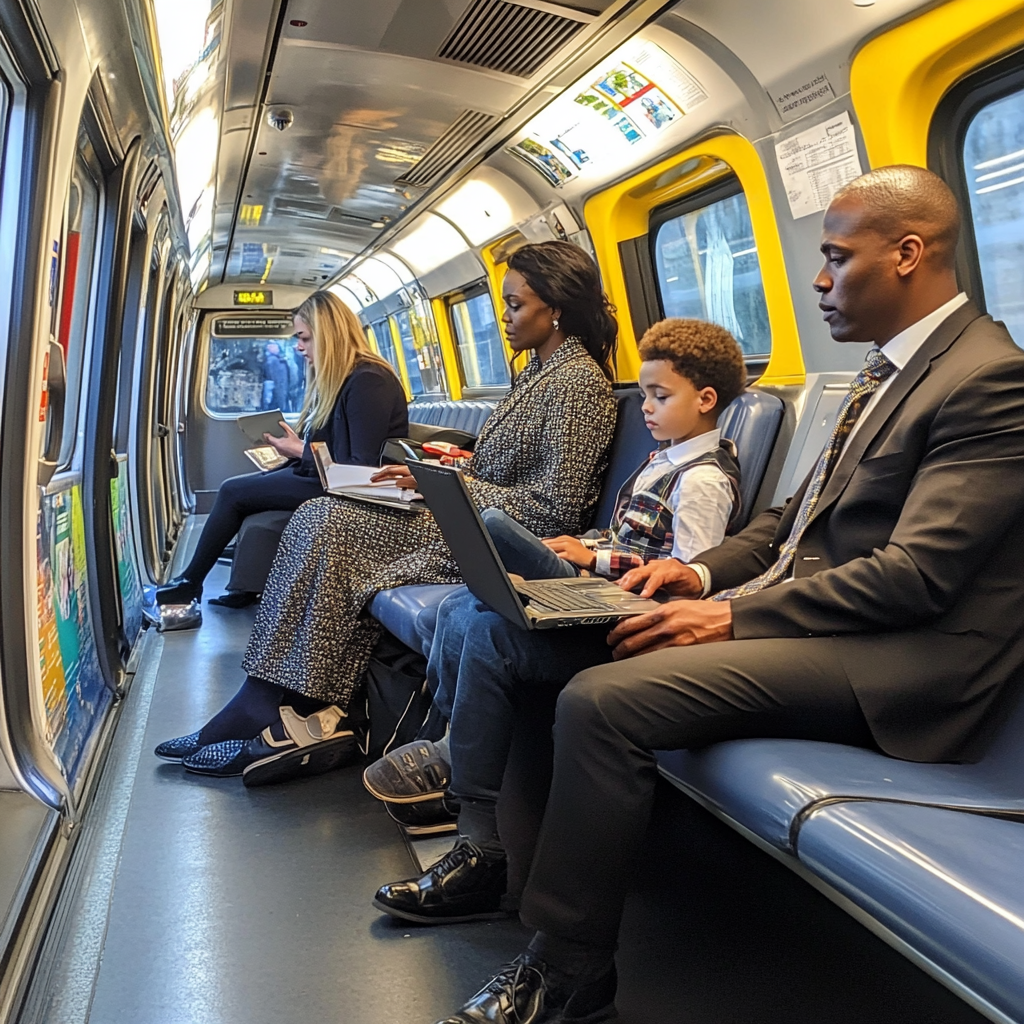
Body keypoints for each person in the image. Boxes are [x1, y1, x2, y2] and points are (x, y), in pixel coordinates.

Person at [378, 165, 1024, 1024]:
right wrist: (701, 571)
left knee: (604, 701)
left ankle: (569, 969)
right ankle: (489, 856)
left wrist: (730, 613)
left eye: (836, 258)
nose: (820, 280)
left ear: (908, 254)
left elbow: (919, 575)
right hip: (810, 621)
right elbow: (793, 526)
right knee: (509, 635)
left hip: (898, 664)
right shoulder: (886, 374)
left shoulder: (988, 379)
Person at [155, 241, 621, 783]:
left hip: (501, 534)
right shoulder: (537, 376)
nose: (504, 316)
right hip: (463, 513)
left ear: (556, 307)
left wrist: (448, 486)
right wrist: (441, 477)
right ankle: (266, 694)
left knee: (330, 521)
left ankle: (287, 704)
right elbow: (500, 471)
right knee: (319, 515)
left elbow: (555, 508)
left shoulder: (579, 385)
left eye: (515, 305)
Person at [363, 317, 747, 834]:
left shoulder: (701, 479)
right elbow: (631, 537)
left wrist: (594, 561)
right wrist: (588, 545)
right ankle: (445, 737)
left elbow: (682, 575)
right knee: (460, 605)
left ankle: (450, 760)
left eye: (659, 396)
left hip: (623, 602)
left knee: (495, 525)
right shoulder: (664, 461)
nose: (647, 409)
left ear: (704, 400)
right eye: (646, 396)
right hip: (598, 580)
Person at [156, 291, 407, 609]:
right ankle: (240, 585)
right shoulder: (339, 379)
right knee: (247, 486)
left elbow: (361, 465)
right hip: (327, 477)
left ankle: (191, 582)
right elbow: (329, 445)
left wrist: (299, 451)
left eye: (304, 338)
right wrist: (289, 453)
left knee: (232, 491)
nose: (299, 347)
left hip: (351, 489)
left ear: (327, 334)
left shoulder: (369, 381)